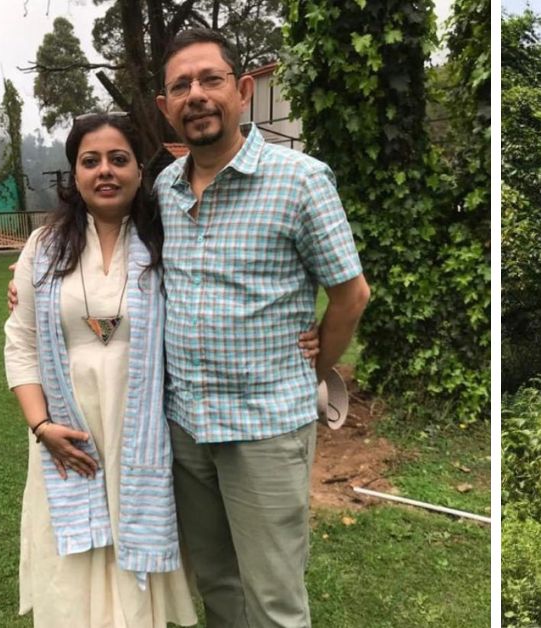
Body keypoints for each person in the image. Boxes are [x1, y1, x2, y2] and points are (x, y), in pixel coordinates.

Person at [152, 28, 369, 628]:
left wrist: (317, 365)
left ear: (242, 90)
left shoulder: (299, 179)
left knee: (273, 598)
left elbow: (351, 293)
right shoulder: (165, 189)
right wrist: (34, 266)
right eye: (181, 85)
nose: (196, 94)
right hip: (187, 425)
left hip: (266, 426)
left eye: (210, 79)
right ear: (165, 105)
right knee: (218, 584)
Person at [4, 112, 198, 627]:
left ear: (140, 170)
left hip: (143, 429)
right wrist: (42, 427)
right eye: (91, 161)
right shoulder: (42, 250)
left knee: (134, 540)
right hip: (68, 432)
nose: (105, 171)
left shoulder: (167, 243)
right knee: (73, 558)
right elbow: (20, 345)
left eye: (119, 159)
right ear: (75, 174)